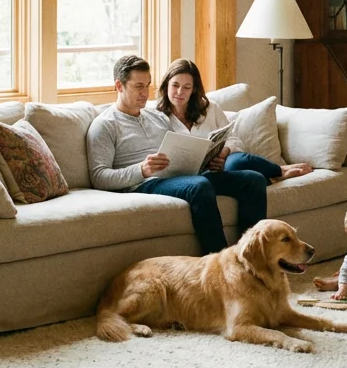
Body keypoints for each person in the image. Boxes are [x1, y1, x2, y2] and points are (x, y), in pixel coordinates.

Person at [86, 55, 266, 255]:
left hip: (177, 176)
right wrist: (141, 170)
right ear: (119, 86)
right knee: (198, 186)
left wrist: (204, 159)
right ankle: (221, 263)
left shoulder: (157, 116)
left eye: (147, 86)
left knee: (253, 180)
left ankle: (252, 255)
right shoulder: (105, 125)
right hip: (143, 184)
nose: (145, 93)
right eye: (138, 86)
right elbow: (99, 177)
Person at [156, 58, 313, 184]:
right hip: (189, 176)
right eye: (175, 85)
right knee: (244, 175)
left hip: (223, 164)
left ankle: (278, 170)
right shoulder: (156, 116)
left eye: (186, 87)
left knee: (239, 162)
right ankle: (276, 174)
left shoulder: (210, 108)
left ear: (194, 89)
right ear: (166, 85)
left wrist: (224, 153)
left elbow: (234, 139)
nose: (179, 92)